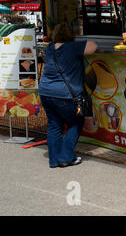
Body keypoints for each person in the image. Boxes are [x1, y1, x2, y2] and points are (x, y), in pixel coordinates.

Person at [38, 23, 98, 168]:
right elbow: (93, 46)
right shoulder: (72, 47)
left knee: (54, 125)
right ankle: (66, 157)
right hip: (65, 95)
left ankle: (54, 160)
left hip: (45, 92)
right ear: (71, 35)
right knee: (75, 122)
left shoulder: (50, 47)